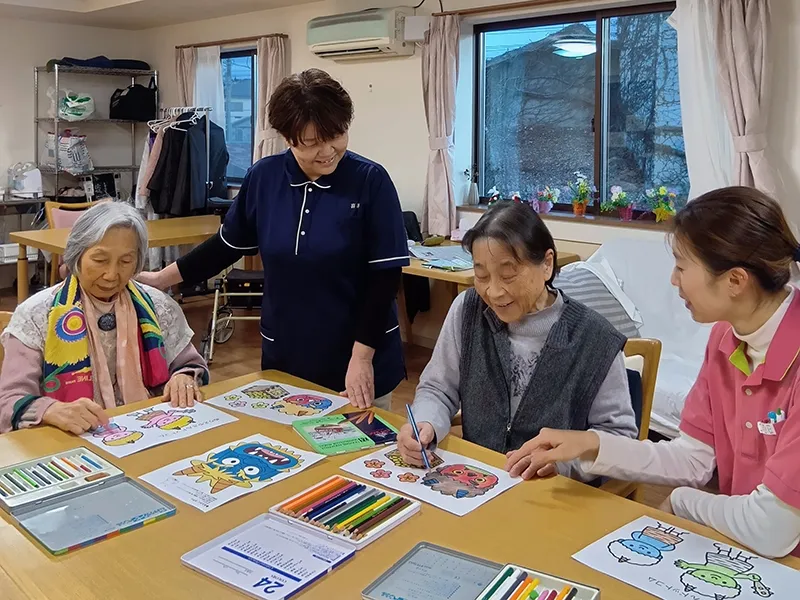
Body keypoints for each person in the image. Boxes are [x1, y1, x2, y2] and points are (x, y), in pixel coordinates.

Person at [517, 187, 800, 558]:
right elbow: (694, 458)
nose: (673, 279)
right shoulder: (726, 339)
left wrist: (684, 503)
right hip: (745, 553)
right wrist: (592, 444)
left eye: (682, 266)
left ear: (735, 280)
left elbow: (771, 529)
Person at [138, 69, 408, 411]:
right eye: (311, 143)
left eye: (336, 135)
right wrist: (161, 279)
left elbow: (384, 277)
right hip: (287, 351)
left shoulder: (371, 181)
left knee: (356, 454)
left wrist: (362, 357)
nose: (327, 151)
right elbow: (226, 246)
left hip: (358, 354)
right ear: (286, 137)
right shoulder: (264, 178)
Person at [397, 202, 638, 481]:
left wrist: (562, 465)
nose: (494, 291)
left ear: (547, 264)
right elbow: (438, 388)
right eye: (482, 276)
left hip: (555, 495)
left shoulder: (595, 338)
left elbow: (618, 439)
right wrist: (426, 423)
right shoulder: (468, 311)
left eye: (508, 275)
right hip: (477, 480)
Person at [0, 202, 209, 435]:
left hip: (150, 431)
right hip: (70, 439)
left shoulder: (158, 306)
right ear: (76, 256)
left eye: (125, 262)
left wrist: (184, 378)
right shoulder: (38, 314)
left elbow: (190, 365)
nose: (111, 274)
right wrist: (51, 410)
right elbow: (9, 401)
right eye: (100, 260)